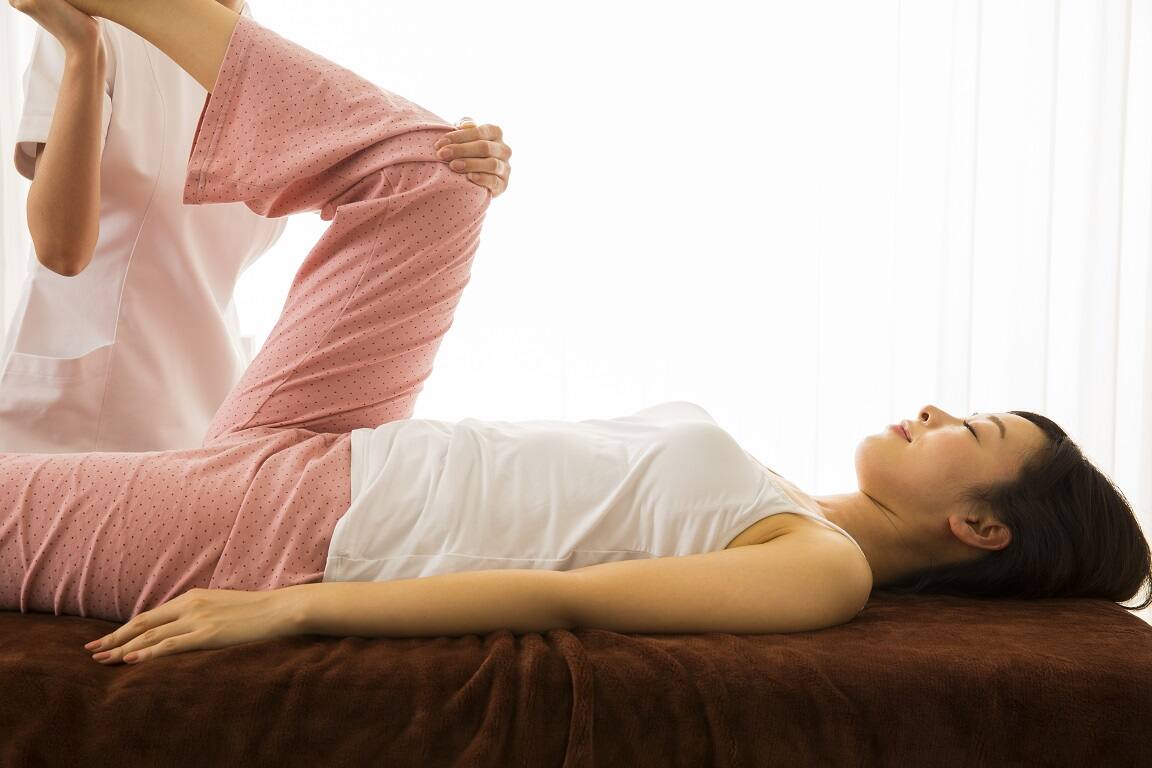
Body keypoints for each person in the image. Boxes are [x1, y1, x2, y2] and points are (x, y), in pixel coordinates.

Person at [1, 0, 1147, 669]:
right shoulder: (787, 493)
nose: (938, 410)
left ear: (981, 525)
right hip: (353, 443)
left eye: (971, 430)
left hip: (310, 526)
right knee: (441, 171)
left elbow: (562, 599)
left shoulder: (823, 570)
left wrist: (292, 605)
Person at [1, 0, 512, 453]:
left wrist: (451, 157)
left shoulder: (265, 66)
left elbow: (383, 162)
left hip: (207, 411)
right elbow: (61, 249)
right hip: (76, 419)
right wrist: (82, 51)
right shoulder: (96, 28)